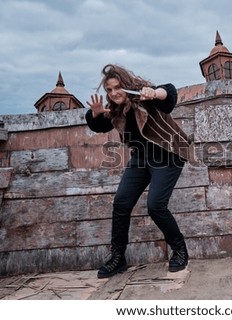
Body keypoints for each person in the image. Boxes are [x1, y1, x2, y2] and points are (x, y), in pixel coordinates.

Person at [85, 64, 190, 278]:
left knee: (155, 206)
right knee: (121, 202)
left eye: (117, 88)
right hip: (141, 159)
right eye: (109, 90)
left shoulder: (145, 96)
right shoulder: (115, 111)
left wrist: (155, 93)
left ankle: (180, 250)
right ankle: (118, 258)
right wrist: (94, 115)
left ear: (126, 85)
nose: (113, 93)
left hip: (167, 154)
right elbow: (99, 126)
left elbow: (169, 93)